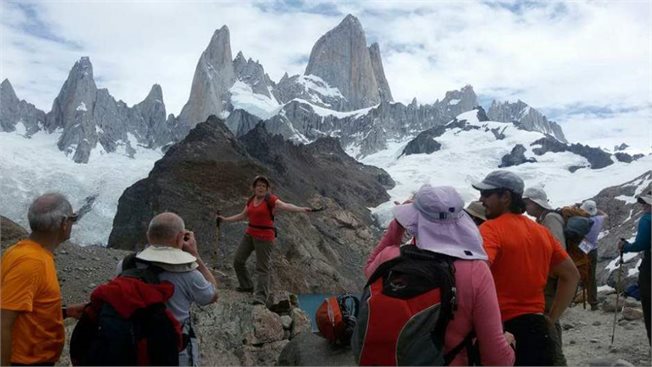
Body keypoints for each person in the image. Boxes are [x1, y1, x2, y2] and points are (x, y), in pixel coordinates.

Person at [363, 185, 515, 366]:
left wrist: (396, 227)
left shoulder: (391, 257)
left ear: (414, 219)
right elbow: (496, 359)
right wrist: (509, 344)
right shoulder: (476, 271)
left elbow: (369, 270)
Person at [473, 170, 580, 366]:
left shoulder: (490, 229)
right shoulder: (541, 232)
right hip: (538, 328)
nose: (481, 199)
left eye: (487, 194)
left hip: (501, 329)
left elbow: (477, 273)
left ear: (505, 197)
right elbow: (571, 275)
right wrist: (552, 317)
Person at [116, 212, 218, 366]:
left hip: (133, 346)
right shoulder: (189, 274)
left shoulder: (125, 265)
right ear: (180, 238)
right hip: (174, 350)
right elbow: (212, 295)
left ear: (148, 236)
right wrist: (195, 255)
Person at [1, 193, 85, 366]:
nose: (72, 224)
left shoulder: (28, 252)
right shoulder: (31, 263)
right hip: (25, 361)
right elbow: (3, 321)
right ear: (63, 224)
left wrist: (65, 312)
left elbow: (27, 308)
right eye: (72, 218)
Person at [218, 176, 312, 305]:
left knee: (262, 268)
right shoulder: (251, 200)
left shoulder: (271, 199)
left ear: (267, 189)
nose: (260, 188)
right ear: (254, 187)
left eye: (263, 186)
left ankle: (261, 297)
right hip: (250, 234)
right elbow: (242, 215)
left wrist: (302, 209)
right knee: (238, 261)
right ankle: (246, 286)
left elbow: (285, 206)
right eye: (258, 185)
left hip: (264, 237)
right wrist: (225, 219)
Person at [523, 187, 567, 366]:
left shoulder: (550, 218)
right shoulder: (544, 219)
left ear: (535, 203)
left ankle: (556, 358)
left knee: (549, 317)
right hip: (549, 276)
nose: (525, 206)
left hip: (550, 278)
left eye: (527, 202)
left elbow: (557, 247)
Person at [618, 191, 651, 344]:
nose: (643, 205)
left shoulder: (647, 219)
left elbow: (641, 244)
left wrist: (625, 247)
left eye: (646, 203)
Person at [580, 199, 608, 311]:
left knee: (577, 272)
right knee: (591, 276)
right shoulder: (598, 219)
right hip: (593, 249)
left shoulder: (582, 220)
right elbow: (605, 215)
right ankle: (593, 303)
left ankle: (569, 299)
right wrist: (597, 210)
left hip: (582, 247)